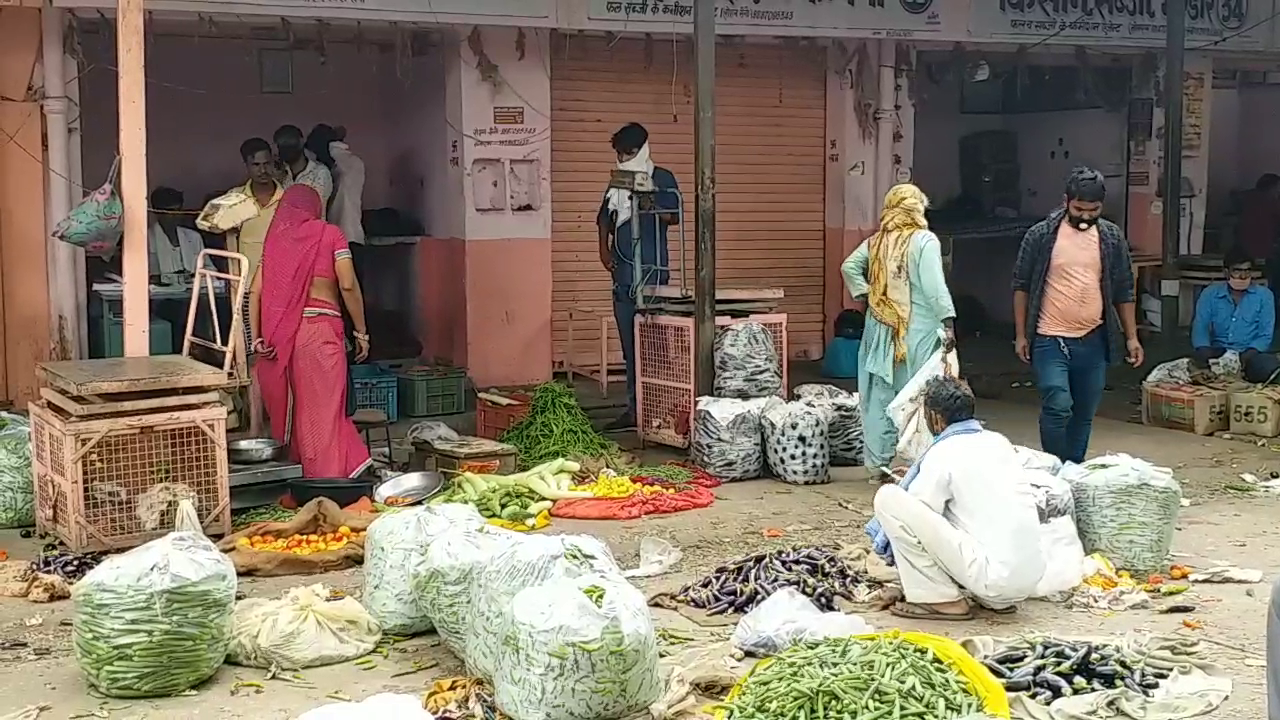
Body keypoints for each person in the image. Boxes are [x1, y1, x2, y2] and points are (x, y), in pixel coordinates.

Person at [870, 375, 1046, 621]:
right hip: (1028, 578)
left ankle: (940, 599)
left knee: (888, 498)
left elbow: (919, 515)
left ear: (935, 418)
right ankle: (992, 600)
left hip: (991, 576)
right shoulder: (998, 442)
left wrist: (907, 486)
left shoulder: (943, 450)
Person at [1012, 166, 1141, 464]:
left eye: (1092, 210)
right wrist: (1021, 335)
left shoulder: (1110, 238)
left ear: (1102, 207)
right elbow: (1021, 286)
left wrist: (1132, 336)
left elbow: (1123, 289)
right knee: (1058, 403)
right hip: (1050, 338)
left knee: (1084, 412)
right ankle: (1055, 464)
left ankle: (1073, 468)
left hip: (1093, 340)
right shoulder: (1042, 235)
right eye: (1079, 209)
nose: (1085, 216)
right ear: (1065, 201)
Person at [248, 185, 372, 479]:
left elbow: (255, 292)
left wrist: (257, 339)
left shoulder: (275, 243)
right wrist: (361, 332)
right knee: (326, 411)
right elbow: (348, 285)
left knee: (300, 411)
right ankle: (327, 479)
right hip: (321, 333)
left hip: (284, 338)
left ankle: (305, 476)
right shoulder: (330, 234)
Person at [841, 183, 956, 484]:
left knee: (878, 395)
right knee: (917, 397)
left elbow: (848, 267)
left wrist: (869, 294)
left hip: (879, 329)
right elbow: (934, 288)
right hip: (916, 333)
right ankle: (917, 463)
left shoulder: (876, 242)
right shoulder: (925, 241)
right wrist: (948, 320)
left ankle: (877, 466)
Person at [596, 122, 679, 431]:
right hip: (624, 276)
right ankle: (635, 409)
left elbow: (674, 217)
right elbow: (604, 218)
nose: (622, 158)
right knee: (630, 347)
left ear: (642, 149)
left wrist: (650, 201)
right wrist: (604, 253)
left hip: (654, 274)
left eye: (627, 152)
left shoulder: (662, 178)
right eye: (618, 153)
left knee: (655, 347)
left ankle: (661, 408)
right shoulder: (617, 182)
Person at [227, 137, 284, 437]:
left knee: (284, 358)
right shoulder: (235, 200)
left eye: (267, 163)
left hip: (284, 292)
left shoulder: (289, 199)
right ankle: (257, 428)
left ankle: (283, 427)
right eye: (255, 164)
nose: (262, 170)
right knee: (254, 359)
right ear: (246, 166)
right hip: (249, 292)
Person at [1191, 246, 1278, 383]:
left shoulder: (1264, 296)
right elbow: (1200, 328)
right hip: (1218, 352)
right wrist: (1206, 354)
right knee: (1193, 366)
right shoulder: (1210, 294)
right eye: (1237, 271)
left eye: (1247, 271)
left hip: (1249, 354)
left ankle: (1245, 374)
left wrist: (1244, 358)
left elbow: (1265, 335)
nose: (1243, 276)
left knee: (1268, 366)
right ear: (1226, 272)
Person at [148, 187, 211, 279]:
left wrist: (197, 276)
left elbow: (210, 269)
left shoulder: (194, 237)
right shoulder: (147, 239)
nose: (175, 215)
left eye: (178, 210)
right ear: (157, 212)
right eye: (170, 211)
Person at [274, 124, 333, 214]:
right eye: (281, 145)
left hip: (312, 227)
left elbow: (312, 209)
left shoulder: (319, 173)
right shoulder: (282, 174)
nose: (285, 148)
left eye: (289, 143)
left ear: (301, 142)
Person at [1238, 173, 1280, 277]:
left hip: (1243, 250)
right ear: (1272, 187)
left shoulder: (1246, 198)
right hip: (1263, 251)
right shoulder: (1269, 201)